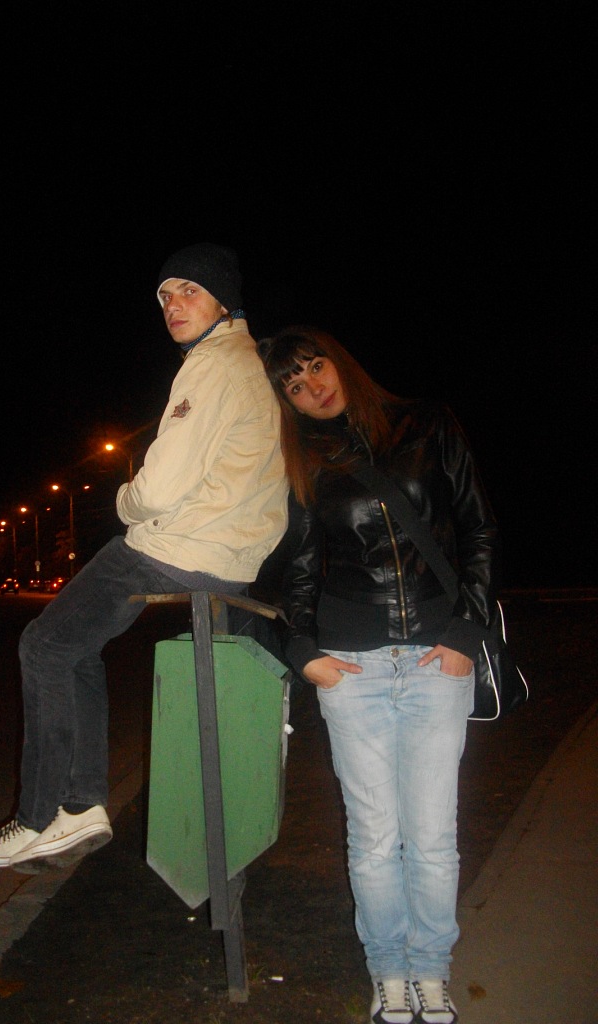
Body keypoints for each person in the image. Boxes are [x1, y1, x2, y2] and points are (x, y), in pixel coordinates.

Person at [0, 243, 288, 874]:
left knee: (43, 645)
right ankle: (79, 805)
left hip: (181, 546)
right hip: (231, 555)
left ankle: (39, 817)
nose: (173, 305)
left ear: (224, 301)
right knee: (74, 645)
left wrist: (124, 502)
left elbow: (158, 490)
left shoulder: (214, 364)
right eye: (165, 296)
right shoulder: (249, 364)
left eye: (189, 291)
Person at [258, 326, 500, 1024]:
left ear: (339, 361)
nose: (312, 387)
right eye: (293, 385)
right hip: (352, 670)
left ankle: (432, 971)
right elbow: (299, 566)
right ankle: (388, 972)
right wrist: (302, 650)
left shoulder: (427, 425)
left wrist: (465, 633)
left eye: (315, 367)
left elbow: (479, 529)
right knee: (371, 838)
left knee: (432, 837)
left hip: (436, 661)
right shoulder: (305, 460)